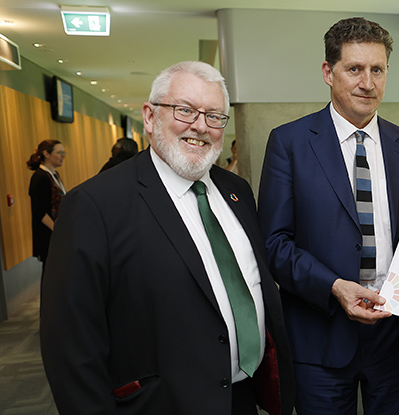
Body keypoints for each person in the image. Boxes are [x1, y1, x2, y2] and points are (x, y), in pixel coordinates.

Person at [40, 61, 294, 415]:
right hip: (158, 404)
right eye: (185, 110)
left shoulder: (237, 191)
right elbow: (69, 346)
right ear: (149, 116)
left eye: (214, 116)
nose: (200, 126)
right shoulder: (94, 205)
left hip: (239, 398)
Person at [258, 17, 399, 415]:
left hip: (395, 334)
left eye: (377, 70)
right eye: (354, 69)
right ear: (328, 72)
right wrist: (335, 286)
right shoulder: (290, 143)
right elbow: (274, 244)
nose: (367, 83)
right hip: (320, 333)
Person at [26, 139, 67, 267]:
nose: (63, 155)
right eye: (59, 152)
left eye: (64, 152)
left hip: (57, 232)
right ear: (46, 154)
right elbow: (39, 212)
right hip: (48, 235)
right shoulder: (40, 177)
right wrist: (57, 230)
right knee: (50, 271)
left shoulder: (54, 174)